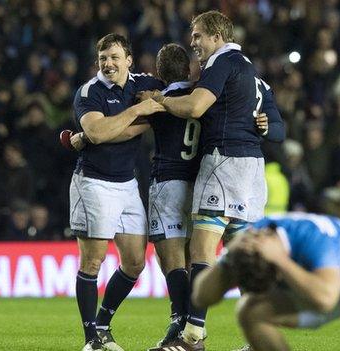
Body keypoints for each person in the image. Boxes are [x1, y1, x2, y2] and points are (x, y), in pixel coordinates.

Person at [141, 11, 285, 349]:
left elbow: (195, 107)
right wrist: (265, 126)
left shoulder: (223, 63)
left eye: (197, 36)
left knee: (202, 248)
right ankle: (259, 337)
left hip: (224, 163)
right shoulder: (256, 77)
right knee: (244, 256)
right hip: (253, 169)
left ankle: (193, 333)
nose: (193, 44)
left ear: (217, 37)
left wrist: (160, 100)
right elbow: (279, 129)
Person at [69, 33, 165, 351]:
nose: (108, 64)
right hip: (93, 182)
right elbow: (97, 133)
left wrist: (155, 103)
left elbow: (175, 88)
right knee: (93, 262)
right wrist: (141, 114)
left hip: (127, 184)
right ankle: (90, 341)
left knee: (135, 262)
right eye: (103, 59)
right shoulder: (89, 92)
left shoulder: (144, 82)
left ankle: (103, 325)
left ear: (128, 60)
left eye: (114, 57)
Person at [192, 212, 340, 351]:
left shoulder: (311, 237)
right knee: (250, 311)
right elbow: (201, 297)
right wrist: (228, 261)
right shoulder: (247, 245)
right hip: (318, 285)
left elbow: (325, 299)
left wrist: (280, 260)